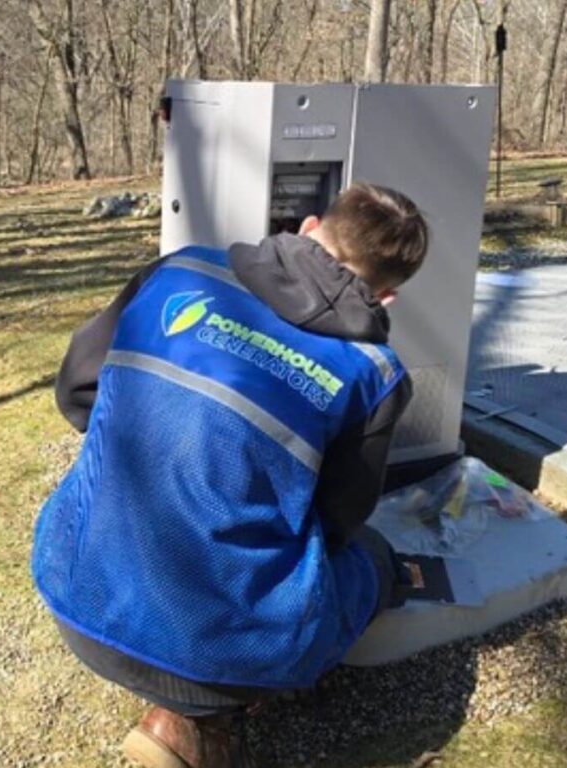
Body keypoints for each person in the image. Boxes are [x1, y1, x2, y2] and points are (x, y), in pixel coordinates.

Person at [32, 182, 429, 768]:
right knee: (372, 560)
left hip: (74, 592)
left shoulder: (179, 273)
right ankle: (205, 721)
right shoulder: (373, 374)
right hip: (225, 653)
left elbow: (77, 391)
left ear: (309, 226)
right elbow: (339, 521)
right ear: (387, 297)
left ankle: (185, 704)